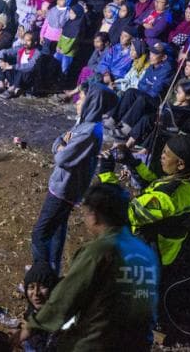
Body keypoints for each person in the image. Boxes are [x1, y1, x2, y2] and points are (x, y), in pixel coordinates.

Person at [14, 184, 159, 350]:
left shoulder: (99, 251)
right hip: (138, 343)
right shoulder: (145, 252)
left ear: (94, 216)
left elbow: (66, 297)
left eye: (85, 213)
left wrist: (32, 327)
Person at [31, 83, 118, 272]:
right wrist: (62, 144)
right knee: (57, 229)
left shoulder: (89, 131)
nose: (78, 101)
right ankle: (52, 271)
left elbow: (62, 157)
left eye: (82, 97)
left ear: (93, 103)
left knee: (40, 234)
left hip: (64, 189)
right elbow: (61, 140)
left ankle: (40, 274)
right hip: (65, 186)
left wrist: (61, 146)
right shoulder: (84, 124)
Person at [99, 134, 190, 266]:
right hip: (169, 249)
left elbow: (124, 213)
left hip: (148, 253)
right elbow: (154, 185)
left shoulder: (167, 197)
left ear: (180, 164)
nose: (161, 156)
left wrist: (106, 173)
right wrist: (131, 161)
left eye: (166, 154)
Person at [105, 42, 175, 137]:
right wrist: (148, 86)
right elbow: (141, 84)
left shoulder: (167, 69)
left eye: (155, 54)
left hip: (155, 101)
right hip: (145, 93)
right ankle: (114, 119)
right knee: (130, 91)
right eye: (151, 53)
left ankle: (125, 129)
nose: (151, 56)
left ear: (164, 58)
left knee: (142, 99)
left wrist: (147, 86)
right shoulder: (151, 66)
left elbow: (156, 91)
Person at [21, 262, 59, 352]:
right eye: (31, 287)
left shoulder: (61, 317)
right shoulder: (32, 308)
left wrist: (30, 332)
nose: (36, 293)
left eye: (42, 286)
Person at [0, 31, 40, 98]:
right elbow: (4, 51)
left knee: (22, 69)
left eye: (28, 41)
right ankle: (1, 84)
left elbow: (30, 66)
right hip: (16, 76)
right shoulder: (21, 48)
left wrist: (12, 67)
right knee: (2, 60)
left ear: (35, 42)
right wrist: (1, 61)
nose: (25, 42)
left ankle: (12, 89)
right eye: (24, 40)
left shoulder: (37, 53)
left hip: (27, 78)